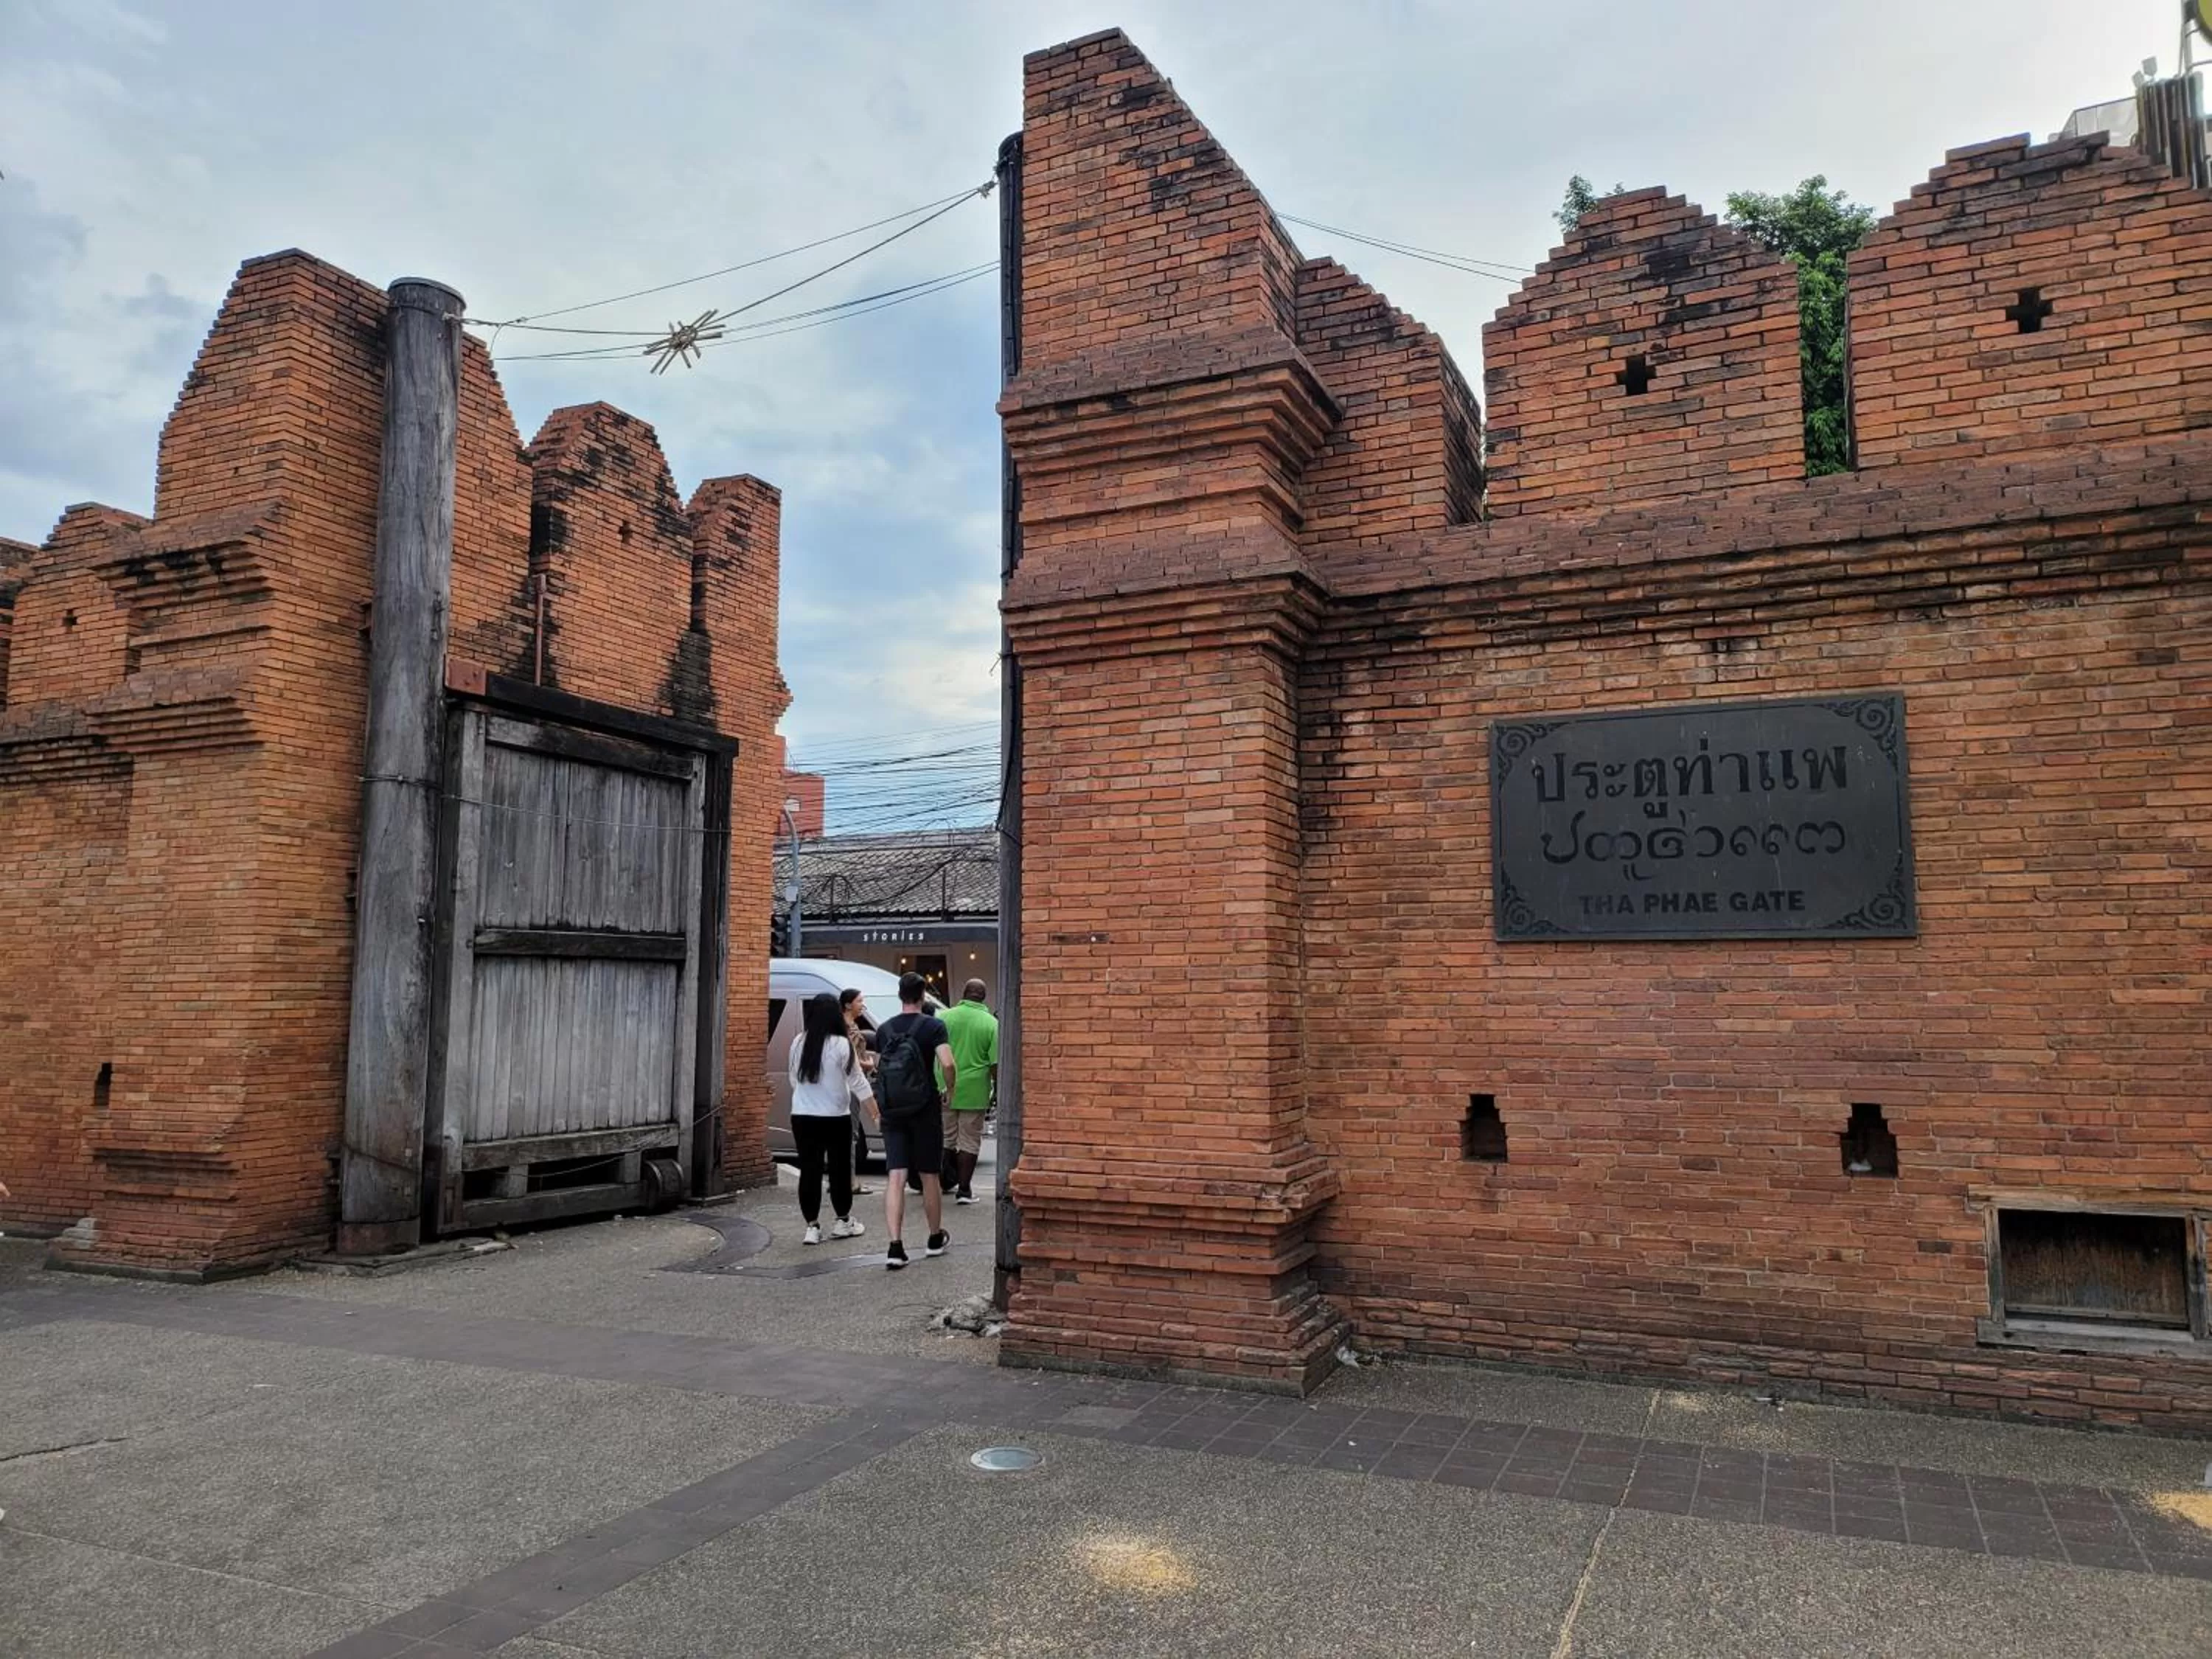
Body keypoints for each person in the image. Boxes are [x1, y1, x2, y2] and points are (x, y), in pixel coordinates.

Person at [871, 970, 953, 1270]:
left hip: (893, 1110)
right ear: (922, 996)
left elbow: (881, 1069)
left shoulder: (884, 1029)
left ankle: (895, 1246)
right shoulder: (934, 1026)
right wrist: (949, 1089)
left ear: (900, 996)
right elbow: (947, 1063)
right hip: (924, 1107)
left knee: (896, 1176)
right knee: (930, 1174)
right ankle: (934, 1239)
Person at [786, 993, 866, 1245]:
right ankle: (843, 1221)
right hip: (835, 1116)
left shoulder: (799, 1042)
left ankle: (812, 1227)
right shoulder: (842, 1044)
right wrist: (875, 1110)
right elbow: (857, 1081)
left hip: (802, 1115)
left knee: (809, 1170)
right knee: (839, 1170)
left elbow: (792, 1078)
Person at [938, 978, 998, 1205]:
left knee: (947, 1137)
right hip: (975, 1090)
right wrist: (997, 1089)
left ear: (963, 994)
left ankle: (944, 1182)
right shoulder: (991, 1023)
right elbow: (994, 1063)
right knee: (970, 1141)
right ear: (983, 997)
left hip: (944, 1086)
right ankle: (964, 1191)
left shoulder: (943, 1017)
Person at [839, 989, 878, 1197]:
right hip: (851, 1086)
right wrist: (869, 1063)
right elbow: (852, 1061)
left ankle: (844, 1179)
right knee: (850, 1133)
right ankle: (850, 1181)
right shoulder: (846, 1028)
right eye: (859, 1001)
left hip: (848, 1085)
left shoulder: (848, 1026)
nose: (862, 1005)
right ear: (847, 1005)